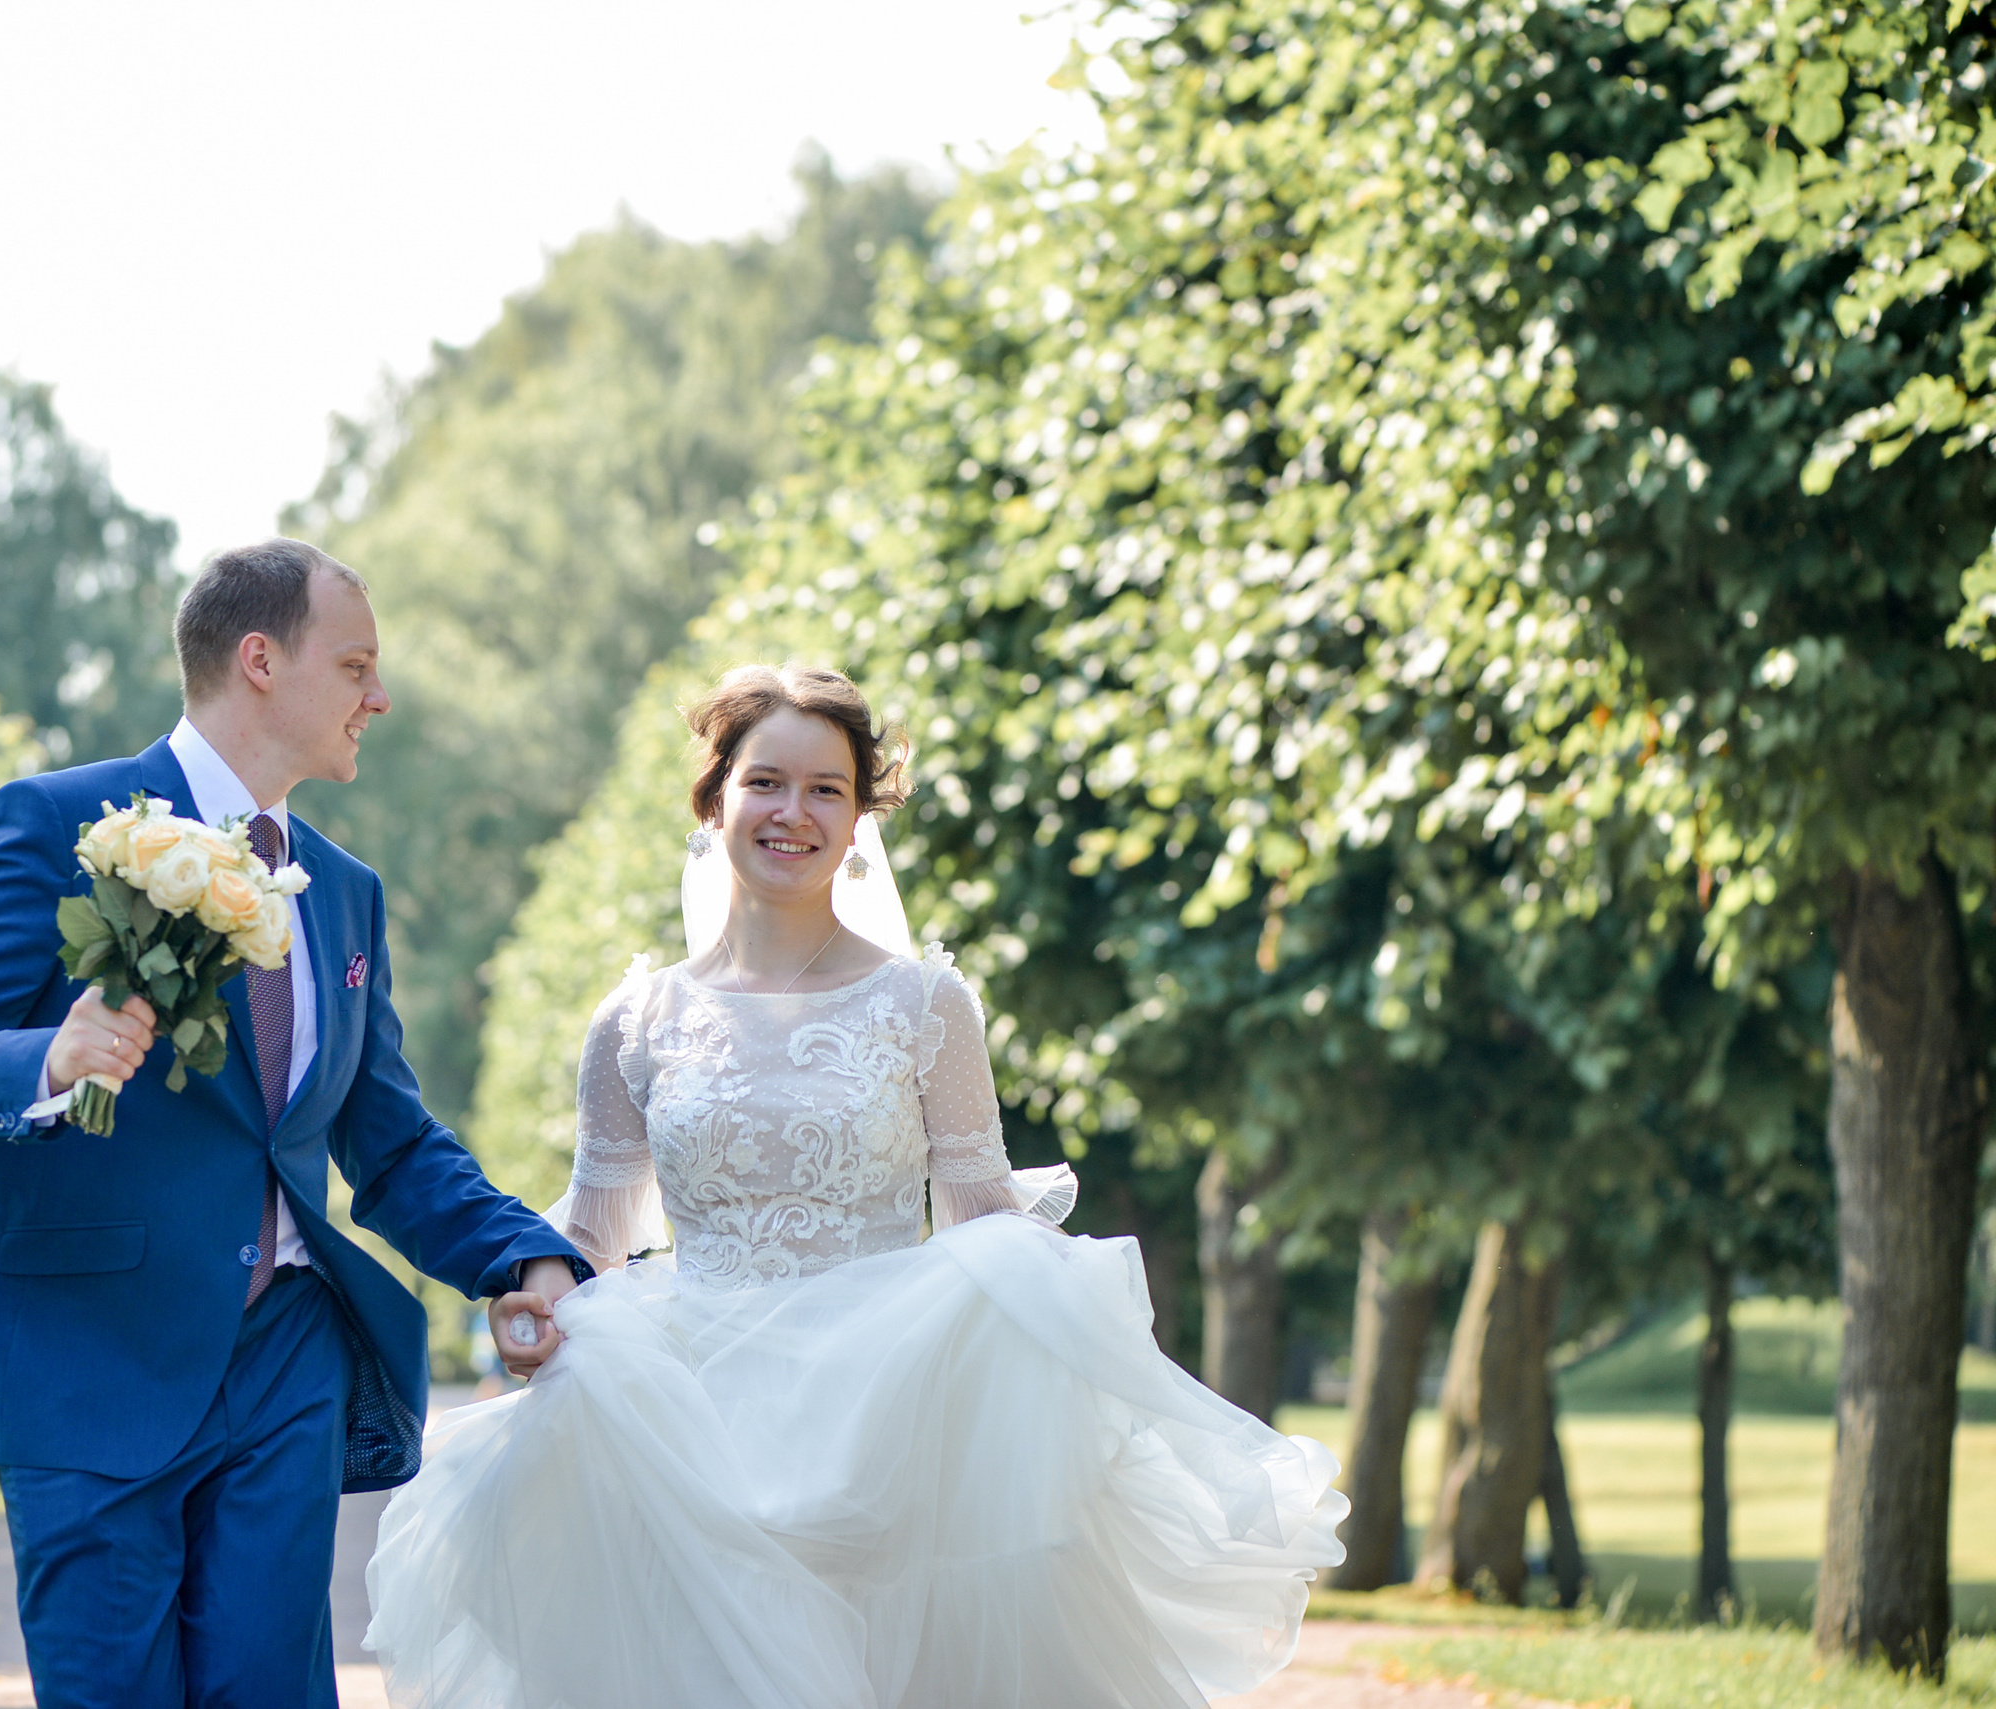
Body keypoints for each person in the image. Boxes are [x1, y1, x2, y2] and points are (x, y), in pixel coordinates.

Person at [365, 664, 1348, 1709]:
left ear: (859, 813)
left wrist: (1065, 1351)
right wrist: (537, 1303)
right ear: (715, 797)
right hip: (688, 1425)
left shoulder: (924, 1002)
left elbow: (979, 1221)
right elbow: (598, 1227)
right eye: (766, 781)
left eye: (827, 787)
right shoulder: (635, 1021)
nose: (793, 812)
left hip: (884, 1422)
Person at [0, 538, 587, 1709]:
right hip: (89, 1352)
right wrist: (46, 1052)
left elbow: (386, 1139)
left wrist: (527, 1253)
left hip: (287, 1357)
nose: (380, 696)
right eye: (355, 664)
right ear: (260, 658)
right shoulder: (55, 822)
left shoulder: (345, 892)